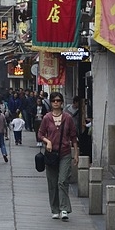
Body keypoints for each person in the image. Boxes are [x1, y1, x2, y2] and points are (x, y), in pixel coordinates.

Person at [37, 92, 79, 220]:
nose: (56, 102)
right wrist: (47, 141)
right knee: (52, 183)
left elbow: (73, 137)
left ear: (62, 103)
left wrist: (76, 153)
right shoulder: (46, 118)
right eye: (54, 100)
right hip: (50, 155)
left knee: (62, 181)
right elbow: (40, 134)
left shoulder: (68, 118)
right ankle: (55, 209)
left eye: (58, 100)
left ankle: (64, 209)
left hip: (65, 153)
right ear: (51, 102)